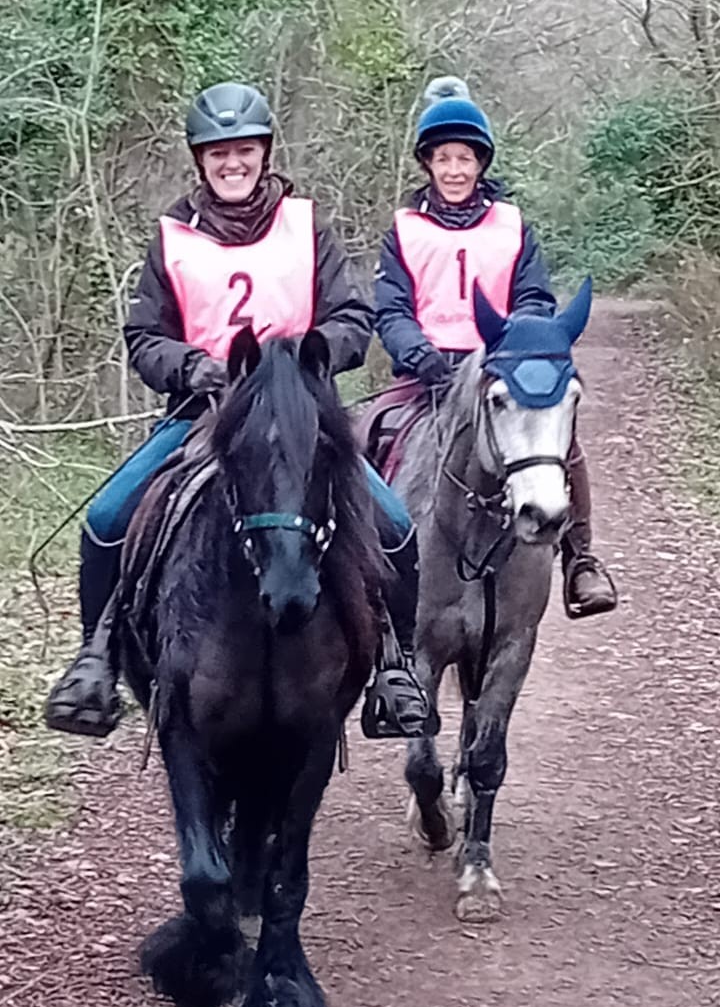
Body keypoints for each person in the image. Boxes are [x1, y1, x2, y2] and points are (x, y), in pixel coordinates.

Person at [45, 82, 427, 740]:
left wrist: (306, 357)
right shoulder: (173, 237)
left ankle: (395, 668)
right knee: (106, 520)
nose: (232, 163)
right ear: (200, 161)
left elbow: (354, 319)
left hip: (301, 422)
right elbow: (145, 337)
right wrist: (193, 365)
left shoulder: (308, 228)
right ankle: (97, 659)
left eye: (244, 151)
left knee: (394, 526)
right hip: (201, 416)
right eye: (218, 153)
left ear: (264, 154)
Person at [374, 77, 617, 619]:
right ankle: (362, 568)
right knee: (368, 435)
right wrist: (419, 354)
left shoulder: (511, 226)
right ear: (428, 164)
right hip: (427, 374)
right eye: (444, 158)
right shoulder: (404, 230)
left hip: (501, 371)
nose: (455, 169)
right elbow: (390, 307)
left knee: (561, 444)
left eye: (465, 158)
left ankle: (581, 560)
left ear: (480, 162)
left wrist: (514, 347)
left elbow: (533, 295)